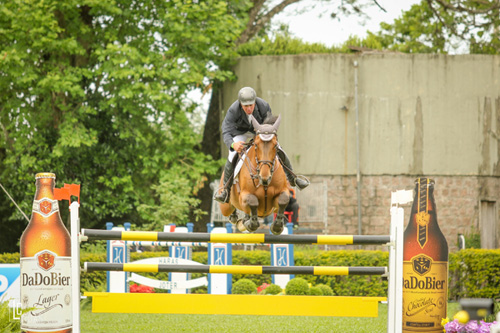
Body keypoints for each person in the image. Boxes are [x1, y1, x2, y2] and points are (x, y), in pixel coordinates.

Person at [214, 87, 309, 203]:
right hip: (239, 133)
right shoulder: (233, 110)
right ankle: (225, 191)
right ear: (240, 104)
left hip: (259, 131)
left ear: (255, 102)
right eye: (245, 106)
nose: (249, 108)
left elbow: (268, 125)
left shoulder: (263, 105)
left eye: (251, 105)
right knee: (232, 154)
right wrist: (233, 144)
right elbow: (226, 131)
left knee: (277, 147)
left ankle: (293, 178)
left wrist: (265, 138)